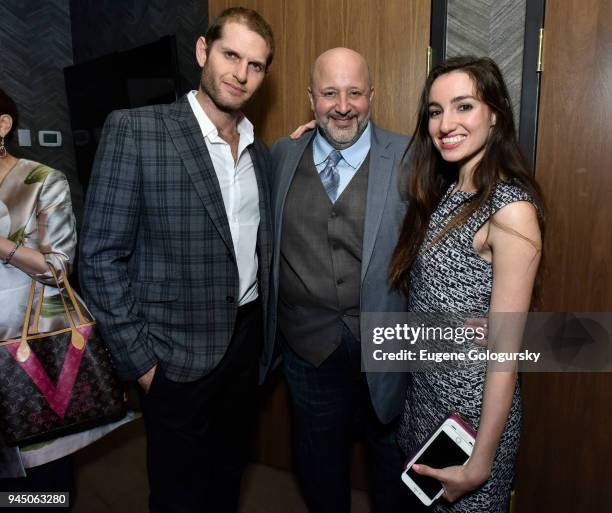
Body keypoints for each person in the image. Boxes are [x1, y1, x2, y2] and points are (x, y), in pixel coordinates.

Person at [79, 8, 274, 513]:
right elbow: (100, 256)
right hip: (171, 355)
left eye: (255, 65)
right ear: (203, 51)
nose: (241, 73)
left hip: (244, 345)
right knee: (177, 492)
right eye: (231, 55)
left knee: (227, 476)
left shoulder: (262, 152)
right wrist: (141, 363)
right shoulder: (137, 131)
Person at [390, 56, 545, 512]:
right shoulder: (448, 189)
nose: (446, 123)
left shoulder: (510, 208)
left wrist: (479, 463)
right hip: (429, 406)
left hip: (474, 423)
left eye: (463, 107)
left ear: (495, 113)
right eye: (435, 111)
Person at [269, 48, 413, 513]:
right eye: (330, 93)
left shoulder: (411, 158)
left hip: (388, 344)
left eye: (355, 92)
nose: (343, 105)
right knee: (319, 468)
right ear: (311, 98)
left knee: (390, 467)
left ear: (372, 95)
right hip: (307, 347)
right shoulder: (281, 156)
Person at [0, 88, 77, 502]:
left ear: (3, 124)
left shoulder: (42, 181)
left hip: (31, 346)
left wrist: (1, 245)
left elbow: (57, 267)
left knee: (41, 482)